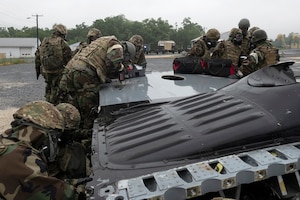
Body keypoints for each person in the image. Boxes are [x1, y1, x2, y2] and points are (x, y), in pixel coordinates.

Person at [0, 100, 85, 199]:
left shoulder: (6, 144)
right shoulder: (20, 158)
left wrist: (71, 183)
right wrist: (82, 191)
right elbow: (55, 195)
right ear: (42, 133)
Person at [58, 36, 135, 133]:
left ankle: (69, 133)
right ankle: (88, 137)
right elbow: (113, 62)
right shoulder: (116, 44)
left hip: (70, 70)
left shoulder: (103, 41)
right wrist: (122, 69)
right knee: (89, 110)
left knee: (72, 106)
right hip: (85, 73)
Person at [35, 24, 72, 105]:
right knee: (59, 92)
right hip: (58, 73)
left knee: (49, 87)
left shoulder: (44, 41)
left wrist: (38, 71)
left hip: (46, 71)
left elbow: (37, 57)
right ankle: (56, 106)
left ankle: (48, 104)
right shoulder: (62, 43)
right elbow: (69, 60)